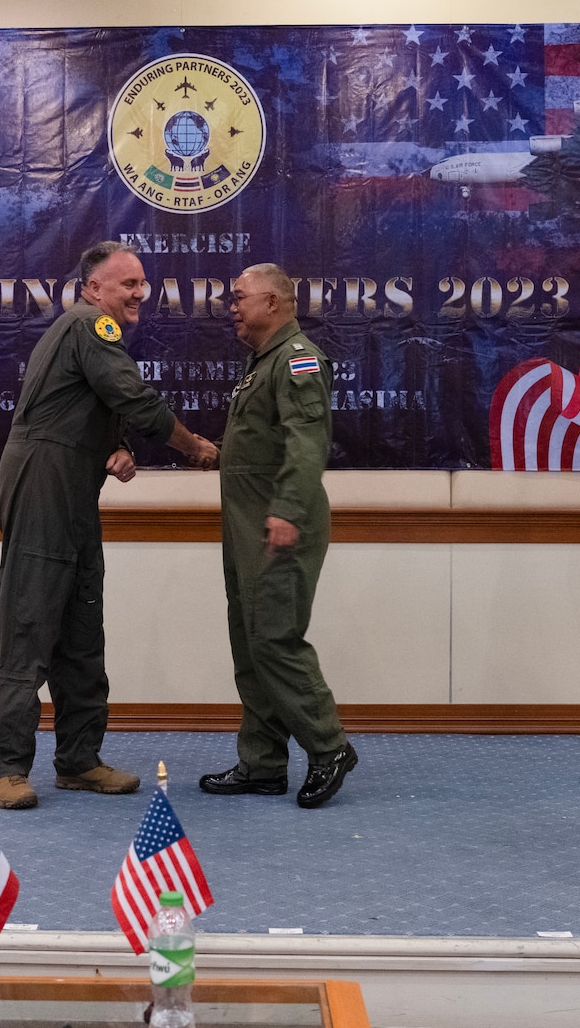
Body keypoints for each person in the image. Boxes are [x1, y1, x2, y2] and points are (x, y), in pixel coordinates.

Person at [0, 241, 218, 810]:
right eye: (126, 284)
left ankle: (79, 761)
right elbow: (131, 396)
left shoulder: (91, 335)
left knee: (81, 628)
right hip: (45, 483)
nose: (140, 293)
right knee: (30, 622)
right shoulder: (92, 325)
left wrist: (115, 449)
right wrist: (192, 447)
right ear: (93, 289)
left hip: (74, 488)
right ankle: (6, 767)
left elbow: (92, 404)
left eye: (142, 283)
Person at [199, 263, 356, 809]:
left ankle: (329, 746)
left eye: (239, 297)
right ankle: (262, 763)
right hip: (248, 526)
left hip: (280, 525)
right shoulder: (260, 364)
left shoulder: (297, 360)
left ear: (273, 303)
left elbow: (307, 442)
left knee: (275, 638)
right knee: (251, 642)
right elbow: (262, 444)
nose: (231, 306)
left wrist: (287, 510)